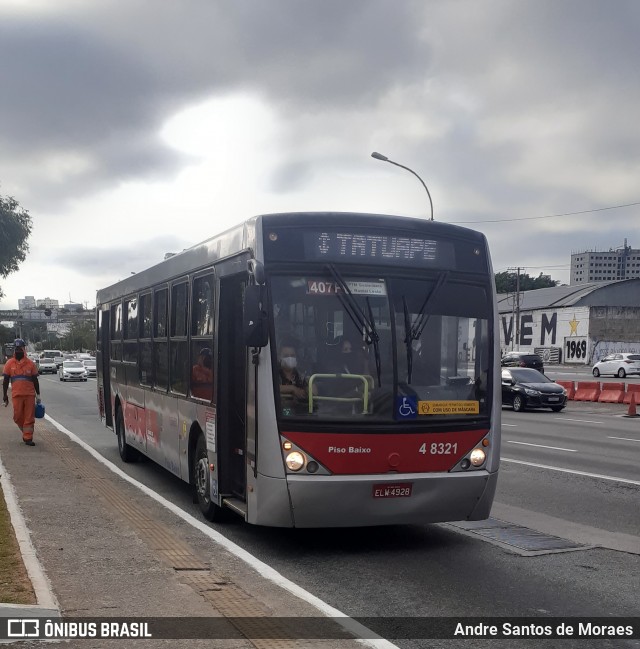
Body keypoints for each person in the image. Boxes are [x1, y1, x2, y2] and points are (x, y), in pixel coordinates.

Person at [2, 339, 42, 446]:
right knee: (18, 417)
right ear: (14, 350)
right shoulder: (9, 363)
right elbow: (5, 380)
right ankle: (25, 432)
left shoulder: (30, 364)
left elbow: (35, 380)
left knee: (29, 417)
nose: (19, 350)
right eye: (17, 348)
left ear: (24, 349)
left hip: (29, 395)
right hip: (16, 395)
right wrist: (4, 395)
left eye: (21, 348)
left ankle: (28, 437)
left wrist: (38, 395)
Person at [278, 343, 311, 413]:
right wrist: (292, 388)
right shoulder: (274, 373)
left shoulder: (301, 374)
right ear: (279, 357)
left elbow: (314, 391)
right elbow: (270, 387)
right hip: (279, 413)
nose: (290, 358)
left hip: (300, 414)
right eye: (286, 356)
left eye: (292, 356)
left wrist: (307, 389)